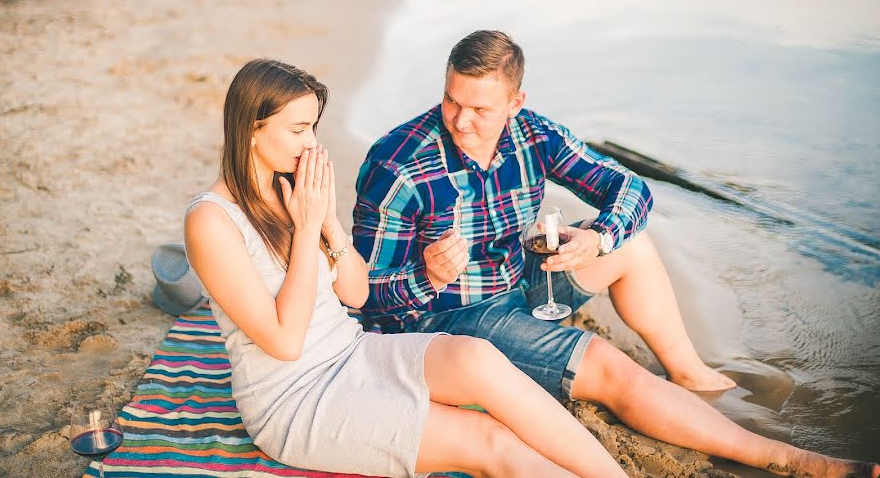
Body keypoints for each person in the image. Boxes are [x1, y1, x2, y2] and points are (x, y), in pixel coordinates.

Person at [352, 31, 879, 477]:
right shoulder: (397, 164)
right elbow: (366, 298)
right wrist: (426, 274)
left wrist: (598, 237)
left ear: (516, 103)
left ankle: (690, 374)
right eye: (452, 101)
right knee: (608, 365)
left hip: (523, 278)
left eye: (480, 109)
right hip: (453, 314)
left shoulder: (533, 133)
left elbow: (630, 189)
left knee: (633, 246)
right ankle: (787, 458)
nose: (461, 121)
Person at [184, 58, 635, 478]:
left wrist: (329, 227)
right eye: (299, 129)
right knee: (488, 439)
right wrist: (306, 231)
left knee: (476, 358)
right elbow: (284, 342)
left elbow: (356, 295)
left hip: (351, 351)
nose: (312, 143)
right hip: (295, 399)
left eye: (313, 128)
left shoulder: (294, 190)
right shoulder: (211, 221)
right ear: (251, 131)